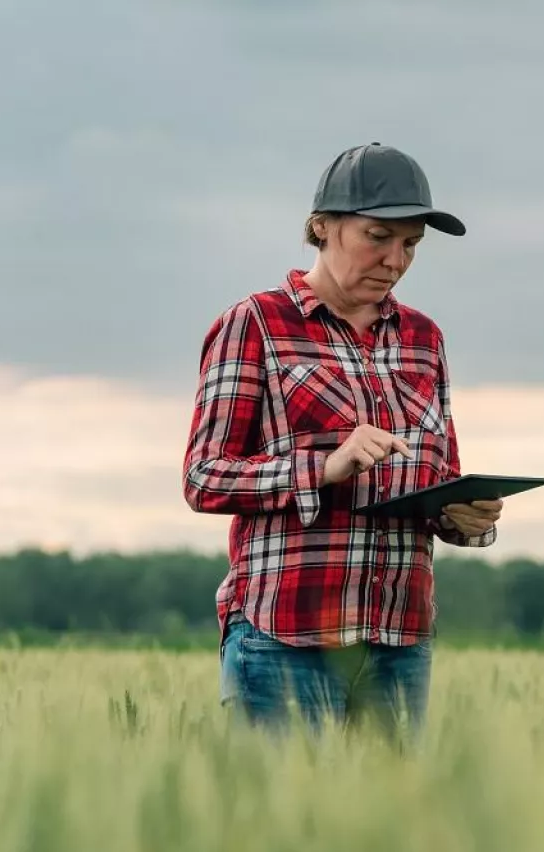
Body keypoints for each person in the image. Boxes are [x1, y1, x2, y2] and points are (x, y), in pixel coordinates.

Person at [182, 142, 502, 747]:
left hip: (398, 642)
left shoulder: (424, 340)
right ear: (321, 228)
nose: (395, 259)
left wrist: (467, 517)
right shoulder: (255, 324)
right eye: (378, 236)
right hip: (286, 640)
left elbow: (439, 479)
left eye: (410, 244)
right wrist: (324, 466)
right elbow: (204, 477)